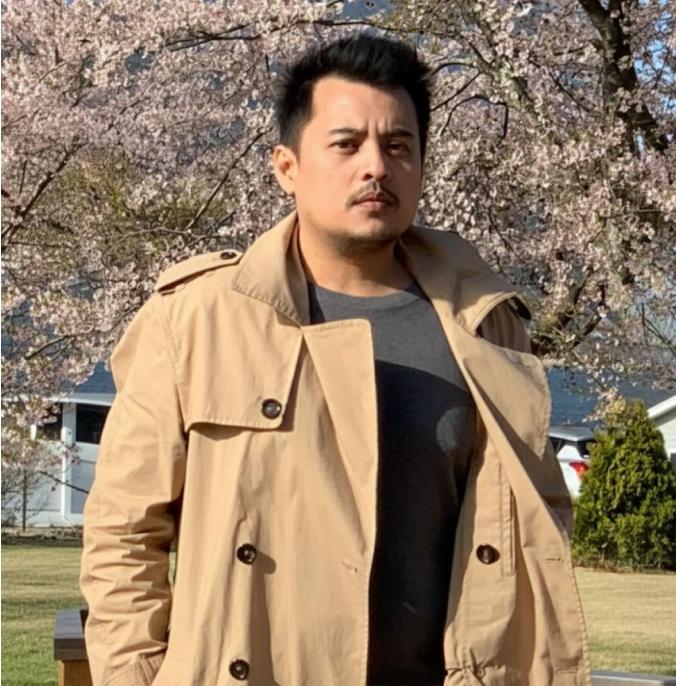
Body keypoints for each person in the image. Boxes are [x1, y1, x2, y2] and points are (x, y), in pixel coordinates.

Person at [80, 34, 591, 686]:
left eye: (398, 146)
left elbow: (534, 519)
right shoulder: (196, 319)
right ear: (286, 167)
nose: (376, 166)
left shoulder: (485, 323)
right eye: (346, 144)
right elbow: (124, 534)